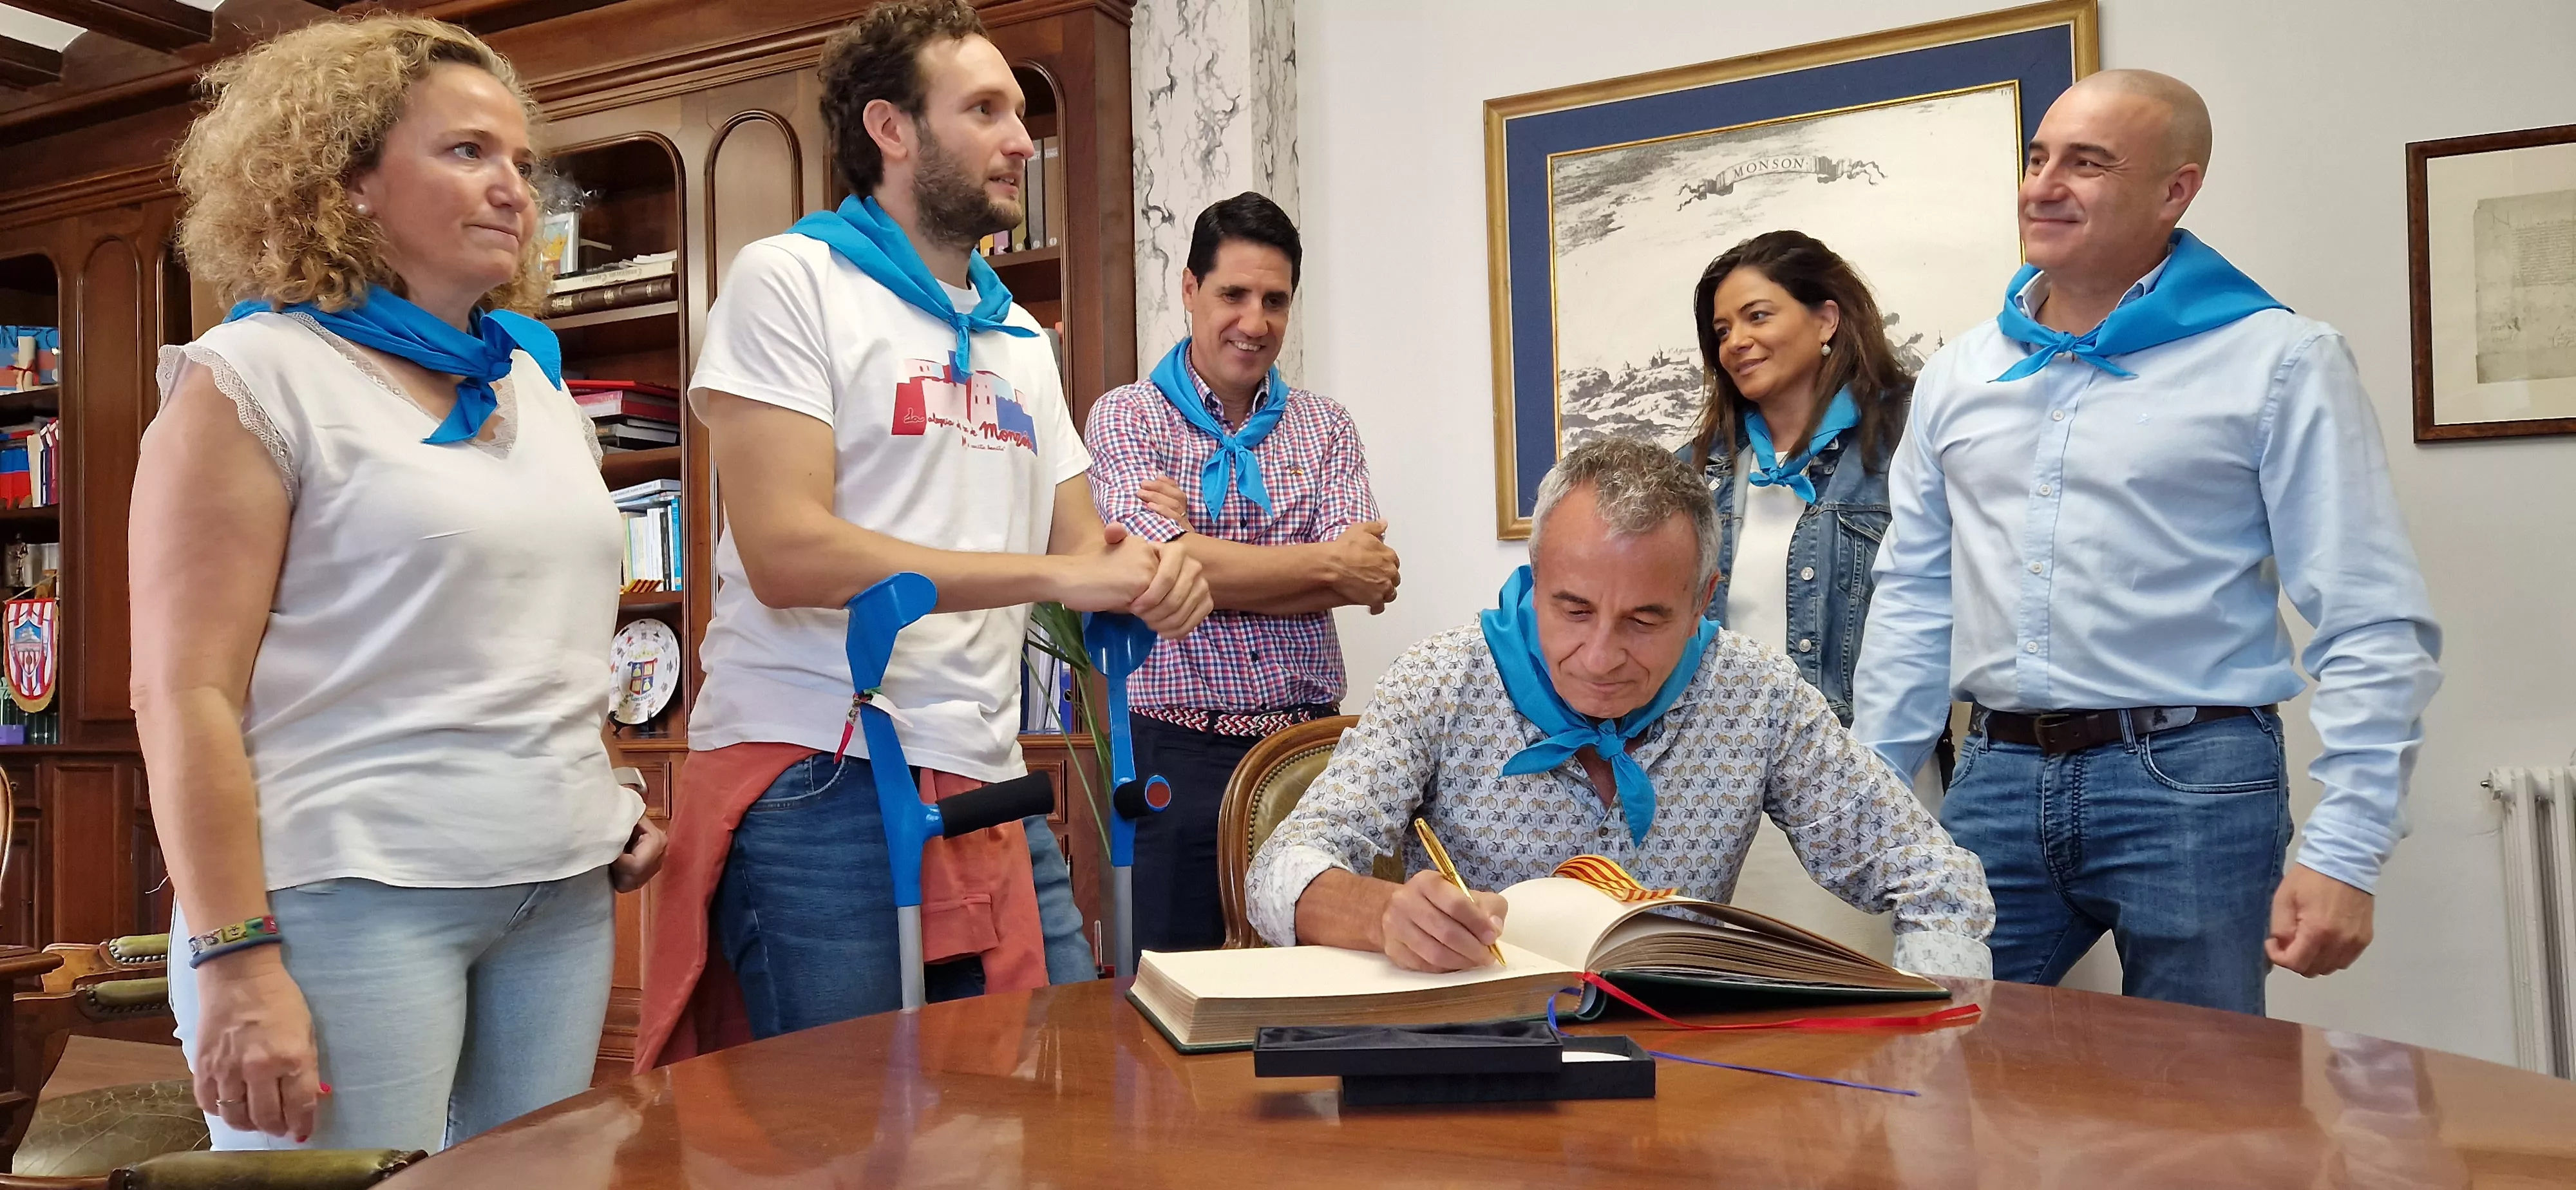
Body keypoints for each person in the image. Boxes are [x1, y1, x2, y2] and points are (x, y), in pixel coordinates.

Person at [635, 0, 1211, 1066]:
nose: (1017, 140)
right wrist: (1062, 574)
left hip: (985, 770)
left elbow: (1085, 557)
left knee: (1020, 1110)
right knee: (847, 1128)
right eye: (984, 108)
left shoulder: (1017, 336)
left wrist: (1152, 575)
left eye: (1020, 111)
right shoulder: (790, 281)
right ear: (890, 128)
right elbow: (790, 555)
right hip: (819, 763)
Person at [136, 14, 663, 1151]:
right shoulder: (253, 376)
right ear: (348, 180)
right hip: (345, 897)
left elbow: (526, 626)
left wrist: (607, 782)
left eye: (522, 161)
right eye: (467, 151)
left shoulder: (528, 375)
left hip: (561, 890)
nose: (514, 187)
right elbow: (184, 696)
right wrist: (233, 958)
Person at [1853, 70, 2443, 1015]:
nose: (2044, 185)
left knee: (2204, 1109)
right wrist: (1871, 793)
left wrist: (2347, 850)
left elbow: (2371, 617)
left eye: (2087, 163)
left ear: (2177, 190)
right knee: (1934, 1076)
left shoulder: (2278, 358)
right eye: (2038, 157)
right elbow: (1916, 594)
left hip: (2193, 778)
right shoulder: (1962, 374)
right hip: (1995, 776)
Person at [1245, 435, 1993, 977]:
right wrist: (1381, 916)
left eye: (1644, 620)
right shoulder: (1442, 680)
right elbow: (1281, 867)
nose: (1600, 658)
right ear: (1535, 576)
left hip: (1683, 1069)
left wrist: (1935, 1049)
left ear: (1704, 599)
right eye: (1571, 609)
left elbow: (1937, 879)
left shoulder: (1755, 695)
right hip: (1478, 1057)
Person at [1084, 192, 1397, 953]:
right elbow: (1154, 573)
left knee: (1321, 987)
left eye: (1274, 301)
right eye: (1232, 294)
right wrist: (1321, 567)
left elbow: (1369, 579)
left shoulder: (1325, 425)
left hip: (1313, 756)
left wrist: (1201, 547)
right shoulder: (1127, 417)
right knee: (1177, 995)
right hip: (1179, 755)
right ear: (1189, 290)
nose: (1254, 323)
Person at [1681, 230, 1917, 962]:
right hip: (1726, 793)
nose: (1736, 343)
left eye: (1757, 316)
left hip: (1859, 779)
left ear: (1826, 318)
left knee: (1860, 1024)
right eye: (1721, 330)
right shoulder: (1698, 471)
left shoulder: (1909, 443)